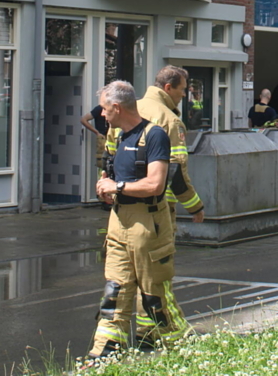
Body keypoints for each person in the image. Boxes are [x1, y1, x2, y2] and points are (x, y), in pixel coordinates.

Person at [88, 80, 189, 359]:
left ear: (117, 108)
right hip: (119, 222)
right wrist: (106, 186)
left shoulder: (154, 135)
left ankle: (179, 346)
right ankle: (105, 353)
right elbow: (116, 175)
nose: (103, 115)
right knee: (115, 292)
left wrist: (117, 188)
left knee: (153, 294)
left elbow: (155, 185)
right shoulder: (118, 136)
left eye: (106, 110)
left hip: (149, 225)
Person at [137, 66, 206, 230]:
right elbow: (175, 170)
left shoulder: (129, 110)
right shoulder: (170, 121)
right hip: (158, 204)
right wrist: (195, 206)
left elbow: (109, 153)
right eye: (182, 89)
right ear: (168, 87)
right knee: (160, 253)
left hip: (126, 201)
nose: (184, 94)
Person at [80, 104, 109, 170]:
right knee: (101, 163)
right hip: (102, 138)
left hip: (112, 137)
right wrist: (97, 132)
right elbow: (83, 120)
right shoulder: (99, 108)